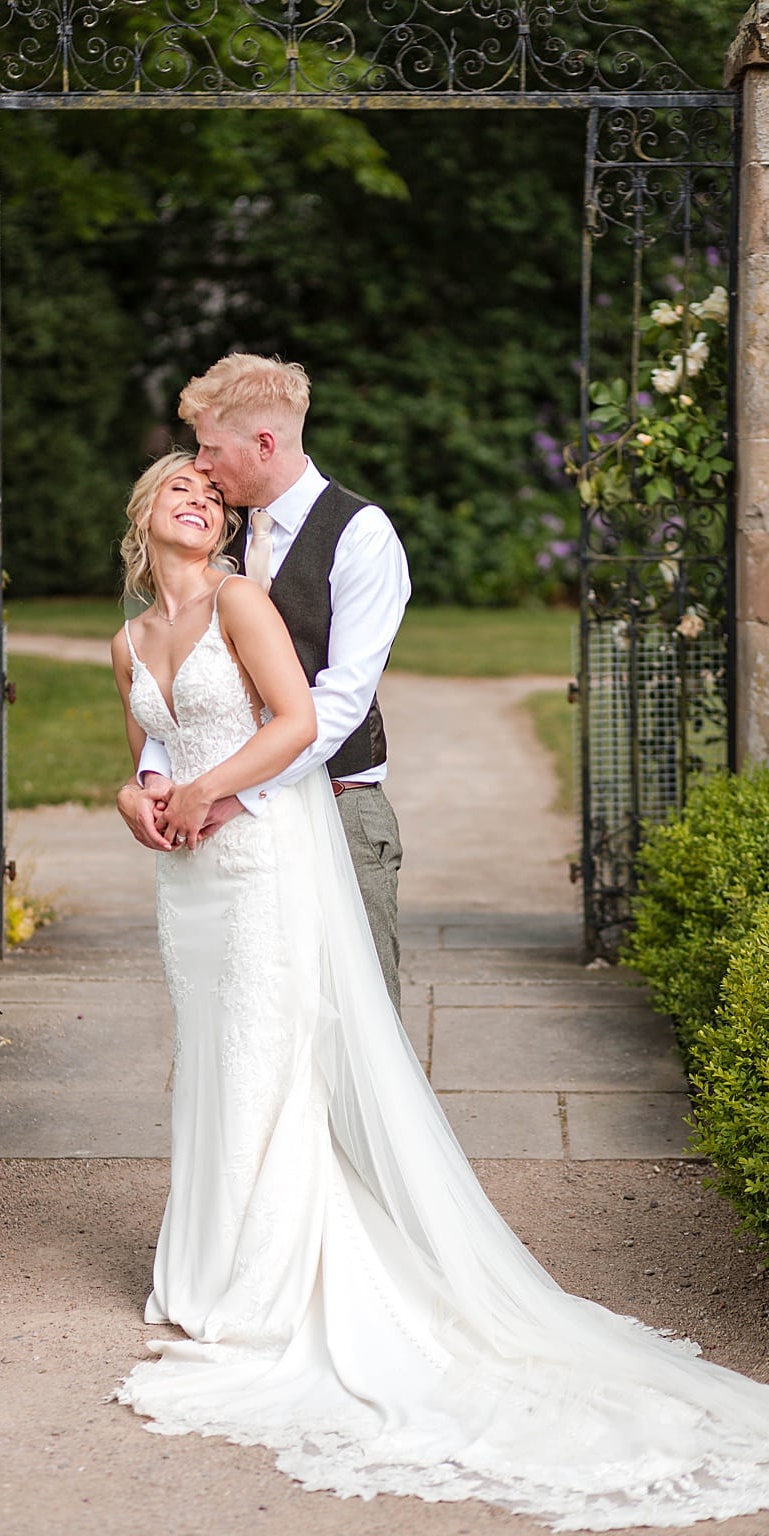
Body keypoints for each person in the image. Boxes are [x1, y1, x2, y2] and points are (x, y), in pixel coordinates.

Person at [112, 447, 769, 1532]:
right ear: (144, 514)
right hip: (190, 887)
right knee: (212, 1055)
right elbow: (144, 750)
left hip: (263, 857)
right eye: (178, 487)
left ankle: (263, 1283)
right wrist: (143, 801)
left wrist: (210, 791)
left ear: (225, 526)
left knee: (270, 1055)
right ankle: (208, 1265)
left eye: (212, 493)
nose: (199, 498)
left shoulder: (245, 601)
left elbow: (292, 724)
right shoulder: (130, 636)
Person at [116, 354, 410, 1012]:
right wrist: (152, 781)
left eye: (213, 449)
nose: (203, 467)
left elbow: (338, 702)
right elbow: (192, 687)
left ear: (264, 444)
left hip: (337, 806)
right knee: (274, 1015)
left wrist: (232, 794)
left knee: (361, 1018)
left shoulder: (362, 537)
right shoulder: (225, 529)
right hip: (244, 832)